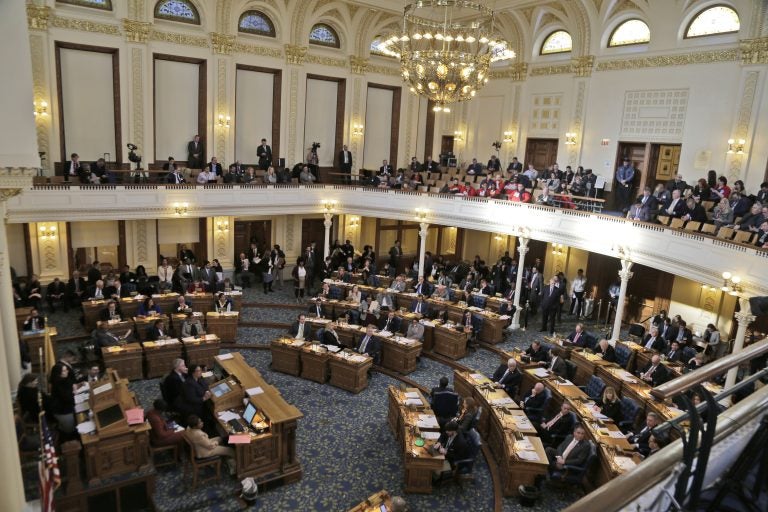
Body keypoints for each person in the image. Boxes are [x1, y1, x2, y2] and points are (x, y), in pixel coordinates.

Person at [50, 363, 76, 434]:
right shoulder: (58, 384)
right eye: (64, 371)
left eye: (66, 370)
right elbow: (67, 398)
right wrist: (74, 391)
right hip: (63, 411)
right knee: (70, 431)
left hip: (68, 407)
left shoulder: (65, 379)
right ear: (58, 374)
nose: (67, 371)